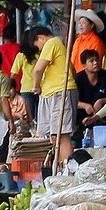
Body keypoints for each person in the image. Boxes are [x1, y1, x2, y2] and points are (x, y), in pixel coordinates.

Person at [31, 26, 79, 163]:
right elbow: (73, 70)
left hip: (60, 92)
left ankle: (66, 170)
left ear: (41, 37)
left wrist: (36, 87)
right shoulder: (59, 46)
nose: (39, 50)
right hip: (54, 92)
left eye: (37, 46)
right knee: (54, 136)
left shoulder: (52, 43)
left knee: (61, 135)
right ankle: (59, 168)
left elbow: (37, 70)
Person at [75, 49, 106, 139]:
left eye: (97, 60)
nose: (95, 63)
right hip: (82, 117)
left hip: (104, 115)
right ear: (84, 65)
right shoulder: (78, 79)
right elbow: (71, 100)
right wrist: (85, 106)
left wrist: (102, 101)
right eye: (91, 61)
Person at [10, 32, 40, 119]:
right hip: (39, 88)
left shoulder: (21, 56)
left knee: (29, 119)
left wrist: (11, 87)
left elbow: (13, 74)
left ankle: (31, 132)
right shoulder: (39, 54)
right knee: (40, 118)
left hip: (26, 89)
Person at [70, 9, 106, 74]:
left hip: (86, 77)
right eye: (79, 23)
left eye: (83, 23)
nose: (80, 25)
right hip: (74, 75)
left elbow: (94, 64)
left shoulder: (96, 41)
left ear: (91, 25)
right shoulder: (78, 39)